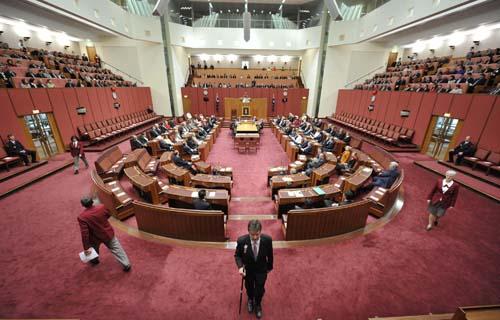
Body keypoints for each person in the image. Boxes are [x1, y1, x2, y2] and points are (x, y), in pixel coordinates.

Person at [77, 196, 131, 271]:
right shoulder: (102, 207)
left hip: (94, 238)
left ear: (83, 205)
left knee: (94, 249)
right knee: (117, 248)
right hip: (107, 233)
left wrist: (86, 247)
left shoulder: (82, 217)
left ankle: (94, 260)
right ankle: (126, 264)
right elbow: (108, 215)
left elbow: (84, 234)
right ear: (92, 201)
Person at [234, 220, 273, 319]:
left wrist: (269, 267)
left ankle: (258, 304)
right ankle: (250, 300)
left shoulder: (267, 240)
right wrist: (240, 267)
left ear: (260, 231)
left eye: (257, 234)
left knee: (260, 290)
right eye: (252, 235)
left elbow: (270, 255)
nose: (255, 237)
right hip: (248, 270)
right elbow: (237, 256)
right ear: (248, 231)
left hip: (261, 270)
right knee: (249, 288)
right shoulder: (242, 241)